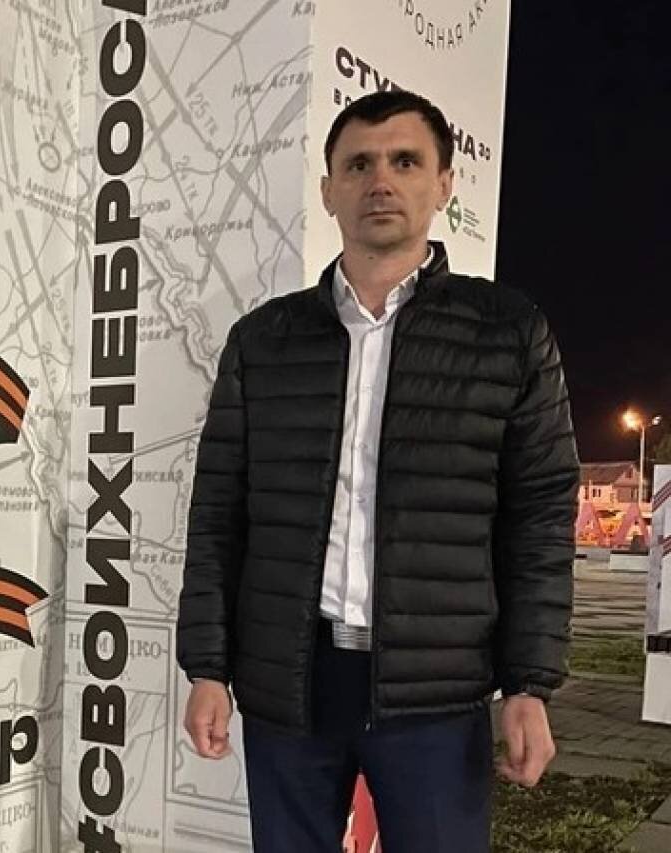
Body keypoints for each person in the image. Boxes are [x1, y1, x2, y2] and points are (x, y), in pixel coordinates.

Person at [175, 89, 578, 852]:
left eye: (405, 161)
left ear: (444, 183)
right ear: (329, 190)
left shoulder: (507, 334)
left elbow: (540, 519)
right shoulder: (264, 340)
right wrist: (207, 666)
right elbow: (219, 512)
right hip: (289, 684)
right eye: (358, 164)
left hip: (437, 692)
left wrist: (530, 683)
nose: (381, 180)